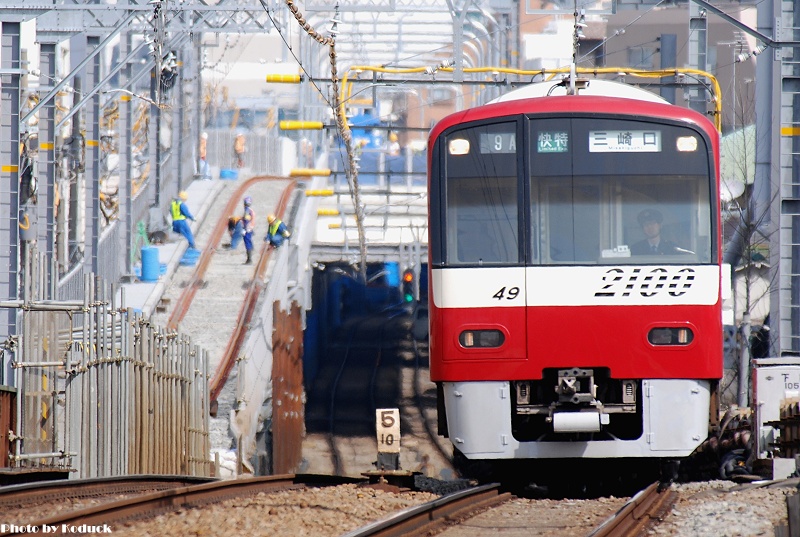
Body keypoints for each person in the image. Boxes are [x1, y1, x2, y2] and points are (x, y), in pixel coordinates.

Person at [242, 196, 256, 264]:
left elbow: (247, 220)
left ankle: (249, 259)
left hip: (247, 229)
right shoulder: (250, 210)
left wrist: (244, 229)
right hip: (250, 228)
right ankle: (249, 257)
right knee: (249, 242)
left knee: (247, 243)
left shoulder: (247, 211)